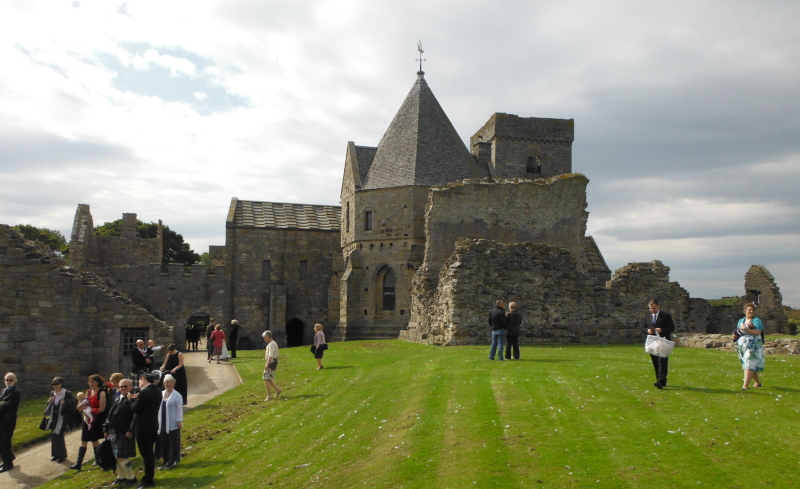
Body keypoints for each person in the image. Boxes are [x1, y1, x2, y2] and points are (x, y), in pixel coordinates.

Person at [70, 374, 108, 470]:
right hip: (87, 420)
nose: (90, 384)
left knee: (95, 441)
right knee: (84, 440)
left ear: (97, 382)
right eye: (89, 382)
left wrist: (91, 411)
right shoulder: (88, 392)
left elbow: (102, 409)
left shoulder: (101, 393)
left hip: (96, 419)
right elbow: (86, 403)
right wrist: (82, 407)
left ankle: (100, 460)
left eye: (93, 382)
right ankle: (78, 463)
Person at [130, 373, 161, 488]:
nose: (139, 383)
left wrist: (131, 400)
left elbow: (136, 409)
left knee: (146, 455)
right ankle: (148, 477)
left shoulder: (144, 392)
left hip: (143, 427)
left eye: (139, 381)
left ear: (143, 379)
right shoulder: (157, 390)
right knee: (149, 454)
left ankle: (148, 480)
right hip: (153, 425)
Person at [104, 378, 137, 486]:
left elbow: (135, 417)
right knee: (117, 456)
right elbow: (110, 415)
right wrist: (106, 428)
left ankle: (131, 478)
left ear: (131, 387)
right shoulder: (117, 399)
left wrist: (131, 430)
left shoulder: (133, 399)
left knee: (121, 457)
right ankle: (121, 477)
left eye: (125, 386)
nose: (122, 388)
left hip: (125, 432)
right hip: (114, 432)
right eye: (121, 386)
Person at [642, 299, 675, 389]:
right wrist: (647, 330)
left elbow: (671, 328)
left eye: (654, 308)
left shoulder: (665, 316)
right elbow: (643, 328)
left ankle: (661, 380)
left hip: (663, 341)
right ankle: (659, 380)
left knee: (662, 361)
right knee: (655, 361)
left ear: (658, 306)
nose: (652, 310)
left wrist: (662, 330)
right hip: (652, 342)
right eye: (651, 308)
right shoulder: (647, 317)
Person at [46, 377, 77, 463]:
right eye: (53, 384)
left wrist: (65, 402)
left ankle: (62, 455)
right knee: (54, 434)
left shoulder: (67, 393)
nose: (55, 386)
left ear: (61, 384)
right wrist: (49, 402)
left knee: (59, 434)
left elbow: (74, 401)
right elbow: (50, 405)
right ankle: (56, 454)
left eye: (56, 384)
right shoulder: (53, 393)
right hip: (54, 416)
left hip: (63, 417)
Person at [157, 375, 183, 470]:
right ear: (164, 384)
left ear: (173, 383)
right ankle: (165, 460)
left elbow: (179, 409)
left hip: (172, 423)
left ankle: (172, 461)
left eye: (170, 382)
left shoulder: (177, 395)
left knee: (172, 442)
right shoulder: (162, 393)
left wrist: (179, 421)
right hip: (162, 423)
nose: (168, 384)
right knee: (164, 442)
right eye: (167, 382)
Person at [737, 302, 765, 390]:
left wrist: (746, 329)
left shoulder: (756, 320)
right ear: (745, 311)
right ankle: (758, 382)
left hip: (754, 345)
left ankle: (745, 386)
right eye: (749, 309)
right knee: (748, 364)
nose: (751, 311)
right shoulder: (741, 321)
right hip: (742, 346)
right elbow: (738, 331)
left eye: (753, 310)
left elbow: (758, 332)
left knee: (749, 363)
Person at [0, 373, 21, 473]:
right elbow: (2, 404)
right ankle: (8, 458)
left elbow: (7, 406)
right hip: (1, 420)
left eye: (10, 380)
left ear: (15, 381)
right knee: (2, 442)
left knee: (4, 442)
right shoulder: (4, 391)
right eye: (6, 380)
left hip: (8, 421)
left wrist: (2, 404)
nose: (8, 382)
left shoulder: (16, 393)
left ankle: (8, 464)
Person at [262, 331, 283, 401]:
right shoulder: (273, 343)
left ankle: (269, 395)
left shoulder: (271, 344)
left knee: (266, 378)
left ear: (268, 337)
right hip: (273, 362)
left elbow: (270, 355)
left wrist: (267, 364)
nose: (264, 339)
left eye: (264, 338)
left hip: (271, 362)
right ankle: (278, 390)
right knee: (268, 378)